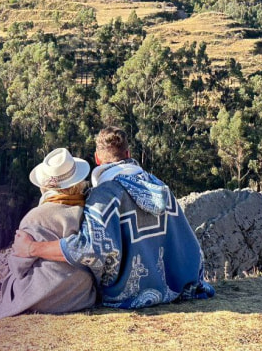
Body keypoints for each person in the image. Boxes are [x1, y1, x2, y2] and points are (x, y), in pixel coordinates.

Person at [13, 126, 214, 309]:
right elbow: (186, 243)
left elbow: (90, 249)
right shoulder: (159, 187)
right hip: (172, 289)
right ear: (127, 154)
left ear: (97, 159)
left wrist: (32, 248)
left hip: (126, 296)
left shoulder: (103, 197)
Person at [0, 148, 96, 320]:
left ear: (45, 185)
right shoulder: (89, 212)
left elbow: (18, 265)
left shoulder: (34, 218)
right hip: (80, 295)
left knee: (11, 284)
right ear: (78, 181)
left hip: (43, 298)